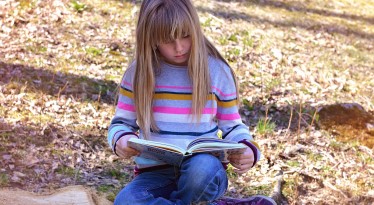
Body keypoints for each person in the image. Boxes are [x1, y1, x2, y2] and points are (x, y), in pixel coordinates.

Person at [107, 0, 276, 204]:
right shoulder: (138, 74)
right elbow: (121, 124)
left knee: (202, 169)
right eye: (168, 40)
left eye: (186, 35)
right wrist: (121, 140)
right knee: (126, 201)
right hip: (155, 174)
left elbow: (232, 126)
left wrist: (248, 149)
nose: (179, 47)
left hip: (205, 172)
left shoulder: (216, 72)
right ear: (151, 38)